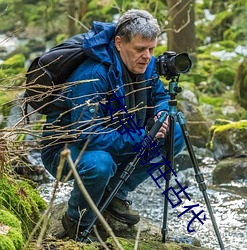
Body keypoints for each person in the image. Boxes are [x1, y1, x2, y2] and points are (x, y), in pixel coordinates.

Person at [41, 9, 185, 241]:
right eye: (140, 49)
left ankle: (115, 193)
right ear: (119, 43)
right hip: (67, 150)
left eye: (152, 49)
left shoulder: (146, 64)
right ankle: (76, 221)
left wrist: (161, 113)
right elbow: (87, 135)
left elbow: (159, 96)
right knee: (100, 164)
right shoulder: (92, 74)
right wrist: (144, 136)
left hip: (118, 136)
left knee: (175, 133)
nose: (147, 56)